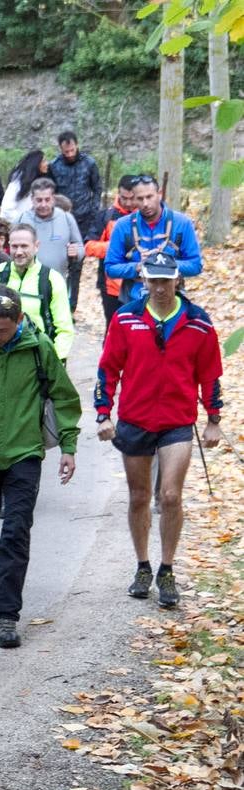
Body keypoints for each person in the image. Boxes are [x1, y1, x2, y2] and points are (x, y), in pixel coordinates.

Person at [0, 289, 81, 648]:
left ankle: (7, 614)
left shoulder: (38, 349)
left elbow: (64, 396)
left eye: (2, 330)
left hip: (24, 452)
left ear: (19, 321)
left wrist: (68, 446)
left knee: (17, 530)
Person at [95, 252, 224, 608]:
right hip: (135, 419)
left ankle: (166, 569)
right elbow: (108, 369)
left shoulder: (199, 323)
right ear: (143, 280)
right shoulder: (125, 318)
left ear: (178, 280)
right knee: (138, 496)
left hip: (177, 422)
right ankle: (142, 566)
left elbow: (210, 373)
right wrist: (103, 413)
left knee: (169, 495)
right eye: (154, 279)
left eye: (166, 280)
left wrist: (213, 419)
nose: (160, 287)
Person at [0, 223, 75, 362]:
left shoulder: (52, 280)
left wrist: (53, 360)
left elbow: (64, 328)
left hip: (39, 356)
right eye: (14, 246)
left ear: (36, 246)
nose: (18, 252)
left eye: (24, 246)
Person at [104, 173, 203, 304]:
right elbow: (110, 268)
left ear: (159, 194)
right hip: (134, 300)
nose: (145, 203)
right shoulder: (123, 226)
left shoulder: (182, 223)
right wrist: (138, 267)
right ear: (133, 199)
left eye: (149, 197)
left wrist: (164, 264)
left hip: (173, 298)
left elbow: (196, 265)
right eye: (140, 199)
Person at [17, 178, 84, 307]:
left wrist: (77, 252)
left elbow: (80, 247)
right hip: (27, 287)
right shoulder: (21, 219)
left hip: (58, 285)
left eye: (47, 200)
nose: (43, 204)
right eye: (39, 200)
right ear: (32, 199)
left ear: (53, 199)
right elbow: (10, 249)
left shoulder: (66, 218)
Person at [85, 175, 138, 327]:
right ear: (118, 193)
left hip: (141, 285)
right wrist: (116, 246)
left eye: (132, 198)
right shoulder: (106, 216)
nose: (128, 203)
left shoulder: (147, 215)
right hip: (111, 287)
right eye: (124, 198)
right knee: (113, 329)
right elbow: (89, 246)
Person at [48, 131, 103, 245]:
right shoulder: (54, 166)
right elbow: (51, 191)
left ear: (77, 145)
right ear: (61, 149)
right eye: (66, 151)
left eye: (72, 150)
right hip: (61, 217)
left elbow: (97, 188)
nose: (69, 154)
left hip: (85, 217)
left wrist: (94, 210)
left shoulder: (89, 163)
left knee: (79, 251)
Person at [0, 150, 46, 222]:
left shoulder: (37, 182)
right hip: (15, 227)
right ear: (36, 164)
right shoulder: (17, 182)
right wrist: (24, 222)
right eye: (43, 161)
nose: (46, 164)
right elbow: (7, 208)